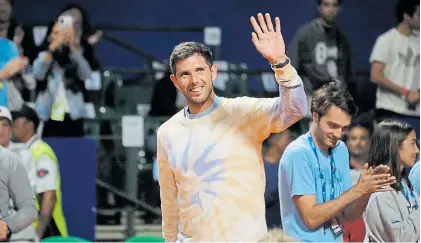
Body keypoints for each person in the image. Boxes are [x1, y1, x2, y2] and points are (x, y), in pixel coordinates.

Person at [157, 13, 307, 242]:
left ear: (213, 72)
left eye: (200, 70)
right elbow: (169, 201)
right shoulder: (167, 132)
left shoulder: (243, 112)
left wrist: (281, 63)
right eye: (185, 74)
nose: (194, 80)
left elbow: (295, 109)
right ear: (175, 82)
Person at [278, 81, 396, 242]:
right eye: (332, 125)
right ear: (315, 116)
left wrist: (366, 189)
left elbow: (349, 214)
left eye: (344, 128)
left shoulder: (340, 149)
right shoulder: (298, 153)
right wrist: (357, 190)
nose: (338, 134)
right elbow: (311, 219)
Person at [11, 105, 68, 239]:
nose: (12, 126)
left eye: (16, 121)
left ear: (29, 124)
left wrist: (38, 235)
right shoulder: (23, 153)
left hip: (47, 232)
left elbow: (49, 196)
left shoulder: (41, 153)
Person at [370, 0, 420, 138]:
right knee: (390, 157)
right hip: (390, 110)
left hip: (416, 114)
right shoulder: (386, 40)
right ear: (406, 16)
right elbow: (375, 75)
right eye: (419, 15)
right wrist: (405, 92)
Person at [363, 120, 420, 242]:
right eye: (412, 144)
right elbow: (401, 239)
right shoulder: (380, 191)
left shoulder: (404, 183)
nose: (417, 150)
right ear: (395, 146)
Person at [287, 0, 352, 94]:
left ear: (339, 8)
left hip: (335, 96)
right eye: (326, 4)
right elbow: (291, 65)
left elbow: (346, 71)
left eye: (334, 5)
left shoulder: (341, 37)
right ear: (319, 7)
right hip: (311, 95)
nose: (330, 9)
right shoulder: (306, 34)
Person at [0, 106, 38, 241]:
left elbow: (27, 201)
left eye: (5, 125)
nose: (1, 130)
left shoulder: (22, 156)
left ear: (11, 129)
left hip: (19, 235)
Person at [264, 129, 298, 229]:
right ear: (275, 141)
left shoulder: (288, 168)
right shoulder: (259, 168)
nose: (290, 142)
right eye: (287, 138)